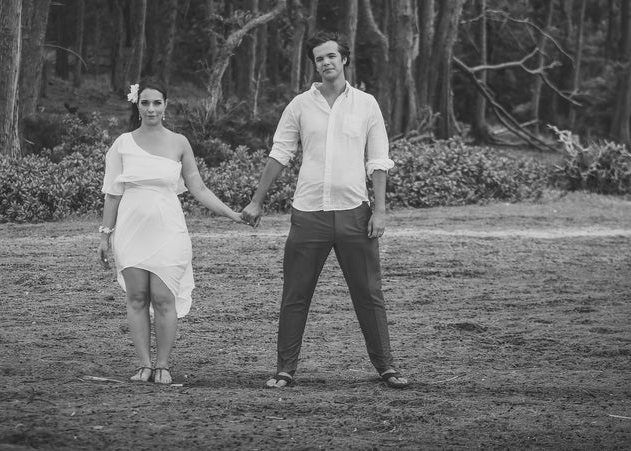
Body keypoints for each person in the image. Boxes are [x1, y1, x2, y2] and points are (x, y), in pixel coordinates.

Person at [241, 31, 409, 389]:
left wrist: (379, 211)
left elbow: (378, 160)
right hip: (309, 214)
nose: (326, 62)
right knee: (295, 294)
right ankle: (285, 369)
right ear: (315, 64)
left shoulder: (366, 104)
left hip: (355, 214)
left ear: (344, 59)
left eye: (332, 56)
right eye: (319, 58)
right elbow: (279, 154)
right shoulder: (299, 106)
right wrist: (257, 200)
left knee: (368, 293)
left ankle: (386, 367)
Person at [99, 77, 244, 385]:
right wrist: (104, 235)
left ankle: (163, 364)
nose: (151, 108)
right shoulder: (122, 145)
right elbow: (112, 193)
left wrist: (232, 213)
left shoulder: (179, 143)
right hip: (131, 229)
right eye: (145, 103)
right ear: (137, 106)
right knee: (137, 298)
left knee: (164, 298)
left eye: (157, 103)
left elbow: (199, 188)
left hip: (168, 228)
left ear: (166, 106)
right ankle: (144, 365)